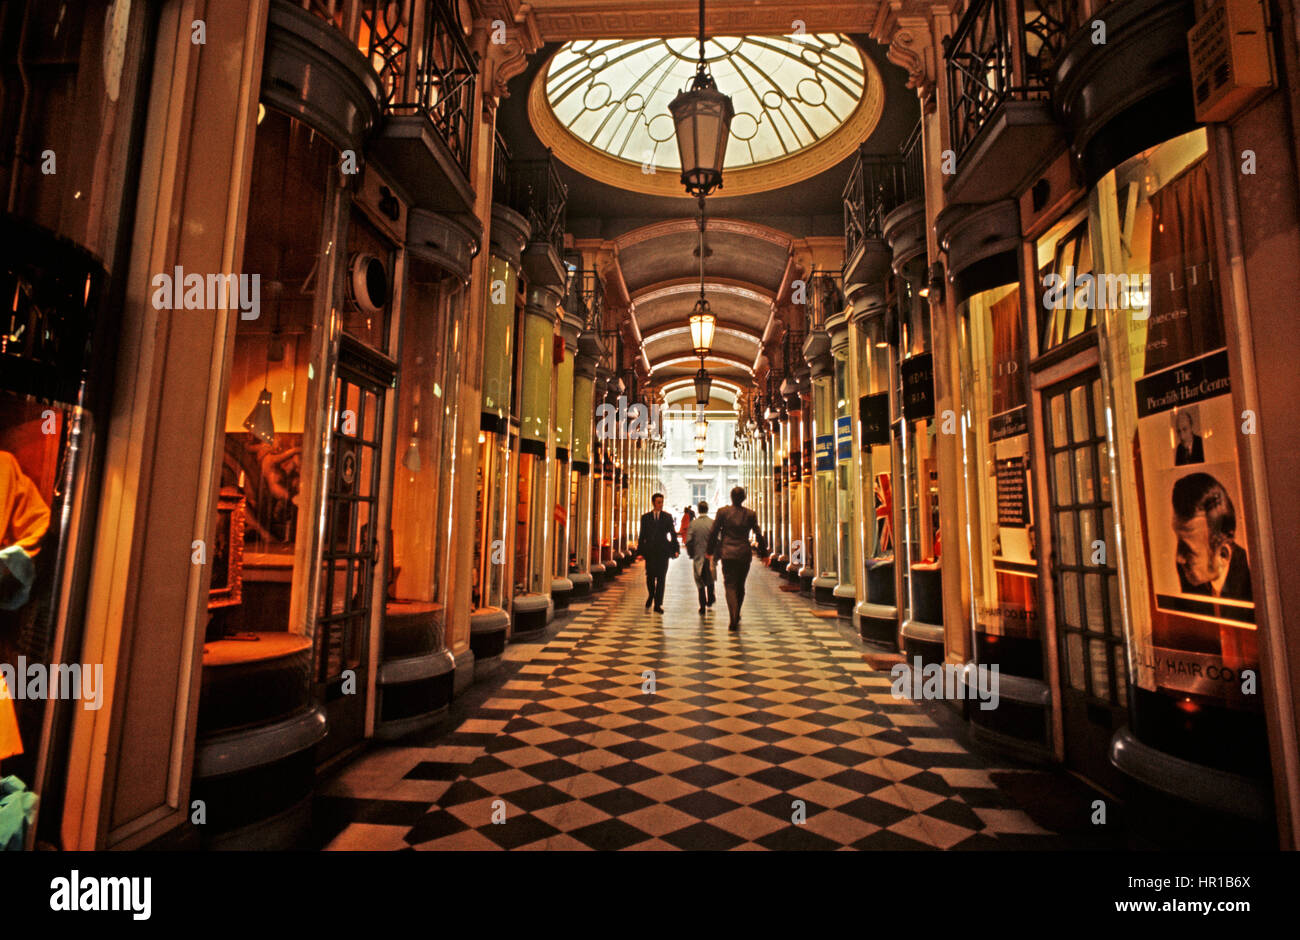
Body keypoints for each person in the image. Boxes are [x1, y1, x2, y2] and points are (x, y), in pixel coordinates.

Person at [1171, 472, 1252, 602]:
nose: (1179, 558)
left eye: (1188, 549)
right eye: (1179, 541)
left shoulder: (1251, 582)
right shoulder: (1190, 576)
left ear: (1223, 554)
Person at [706, 486, 767, 631]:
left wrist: (710, 551)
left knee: (730, 584)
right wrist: (764, 553)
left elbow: (714, 532)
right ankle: (737, 612)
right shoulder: (750, 514)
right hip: (744, 553)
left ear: (731, 497)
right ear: (744, 498)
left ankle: (733, 616)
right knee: (740, 585)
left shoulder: (723, 512)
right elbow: (758, 533)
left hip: (728, 553)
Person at [636, 492, 679, 613]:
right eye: (658, 502)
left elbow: (672, 533)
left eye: (662, 502)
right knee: (650, 577)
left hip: (663, 551)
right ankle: (651, 595)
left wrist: (675, 549)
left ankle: (658, 604)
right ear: (653, 502)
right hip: (650, 552)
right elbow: (642, 535)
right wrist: (640, 552)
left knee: (661, 578)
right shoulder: (646, 517)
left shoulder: (667, 517)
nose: (661, 504)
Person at [685, 500, 716, 614]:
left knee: (699, 581)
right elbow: (718, 539)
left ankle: (702, 605)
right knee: (710, 577)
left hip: (698, 556)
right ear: (707, 509)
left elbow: (688, 541)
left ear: (698, 510)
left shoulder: (693, 524)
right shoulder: (713, 523)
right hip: (710, 556)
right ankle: (711, 598)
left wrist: (691, 553)